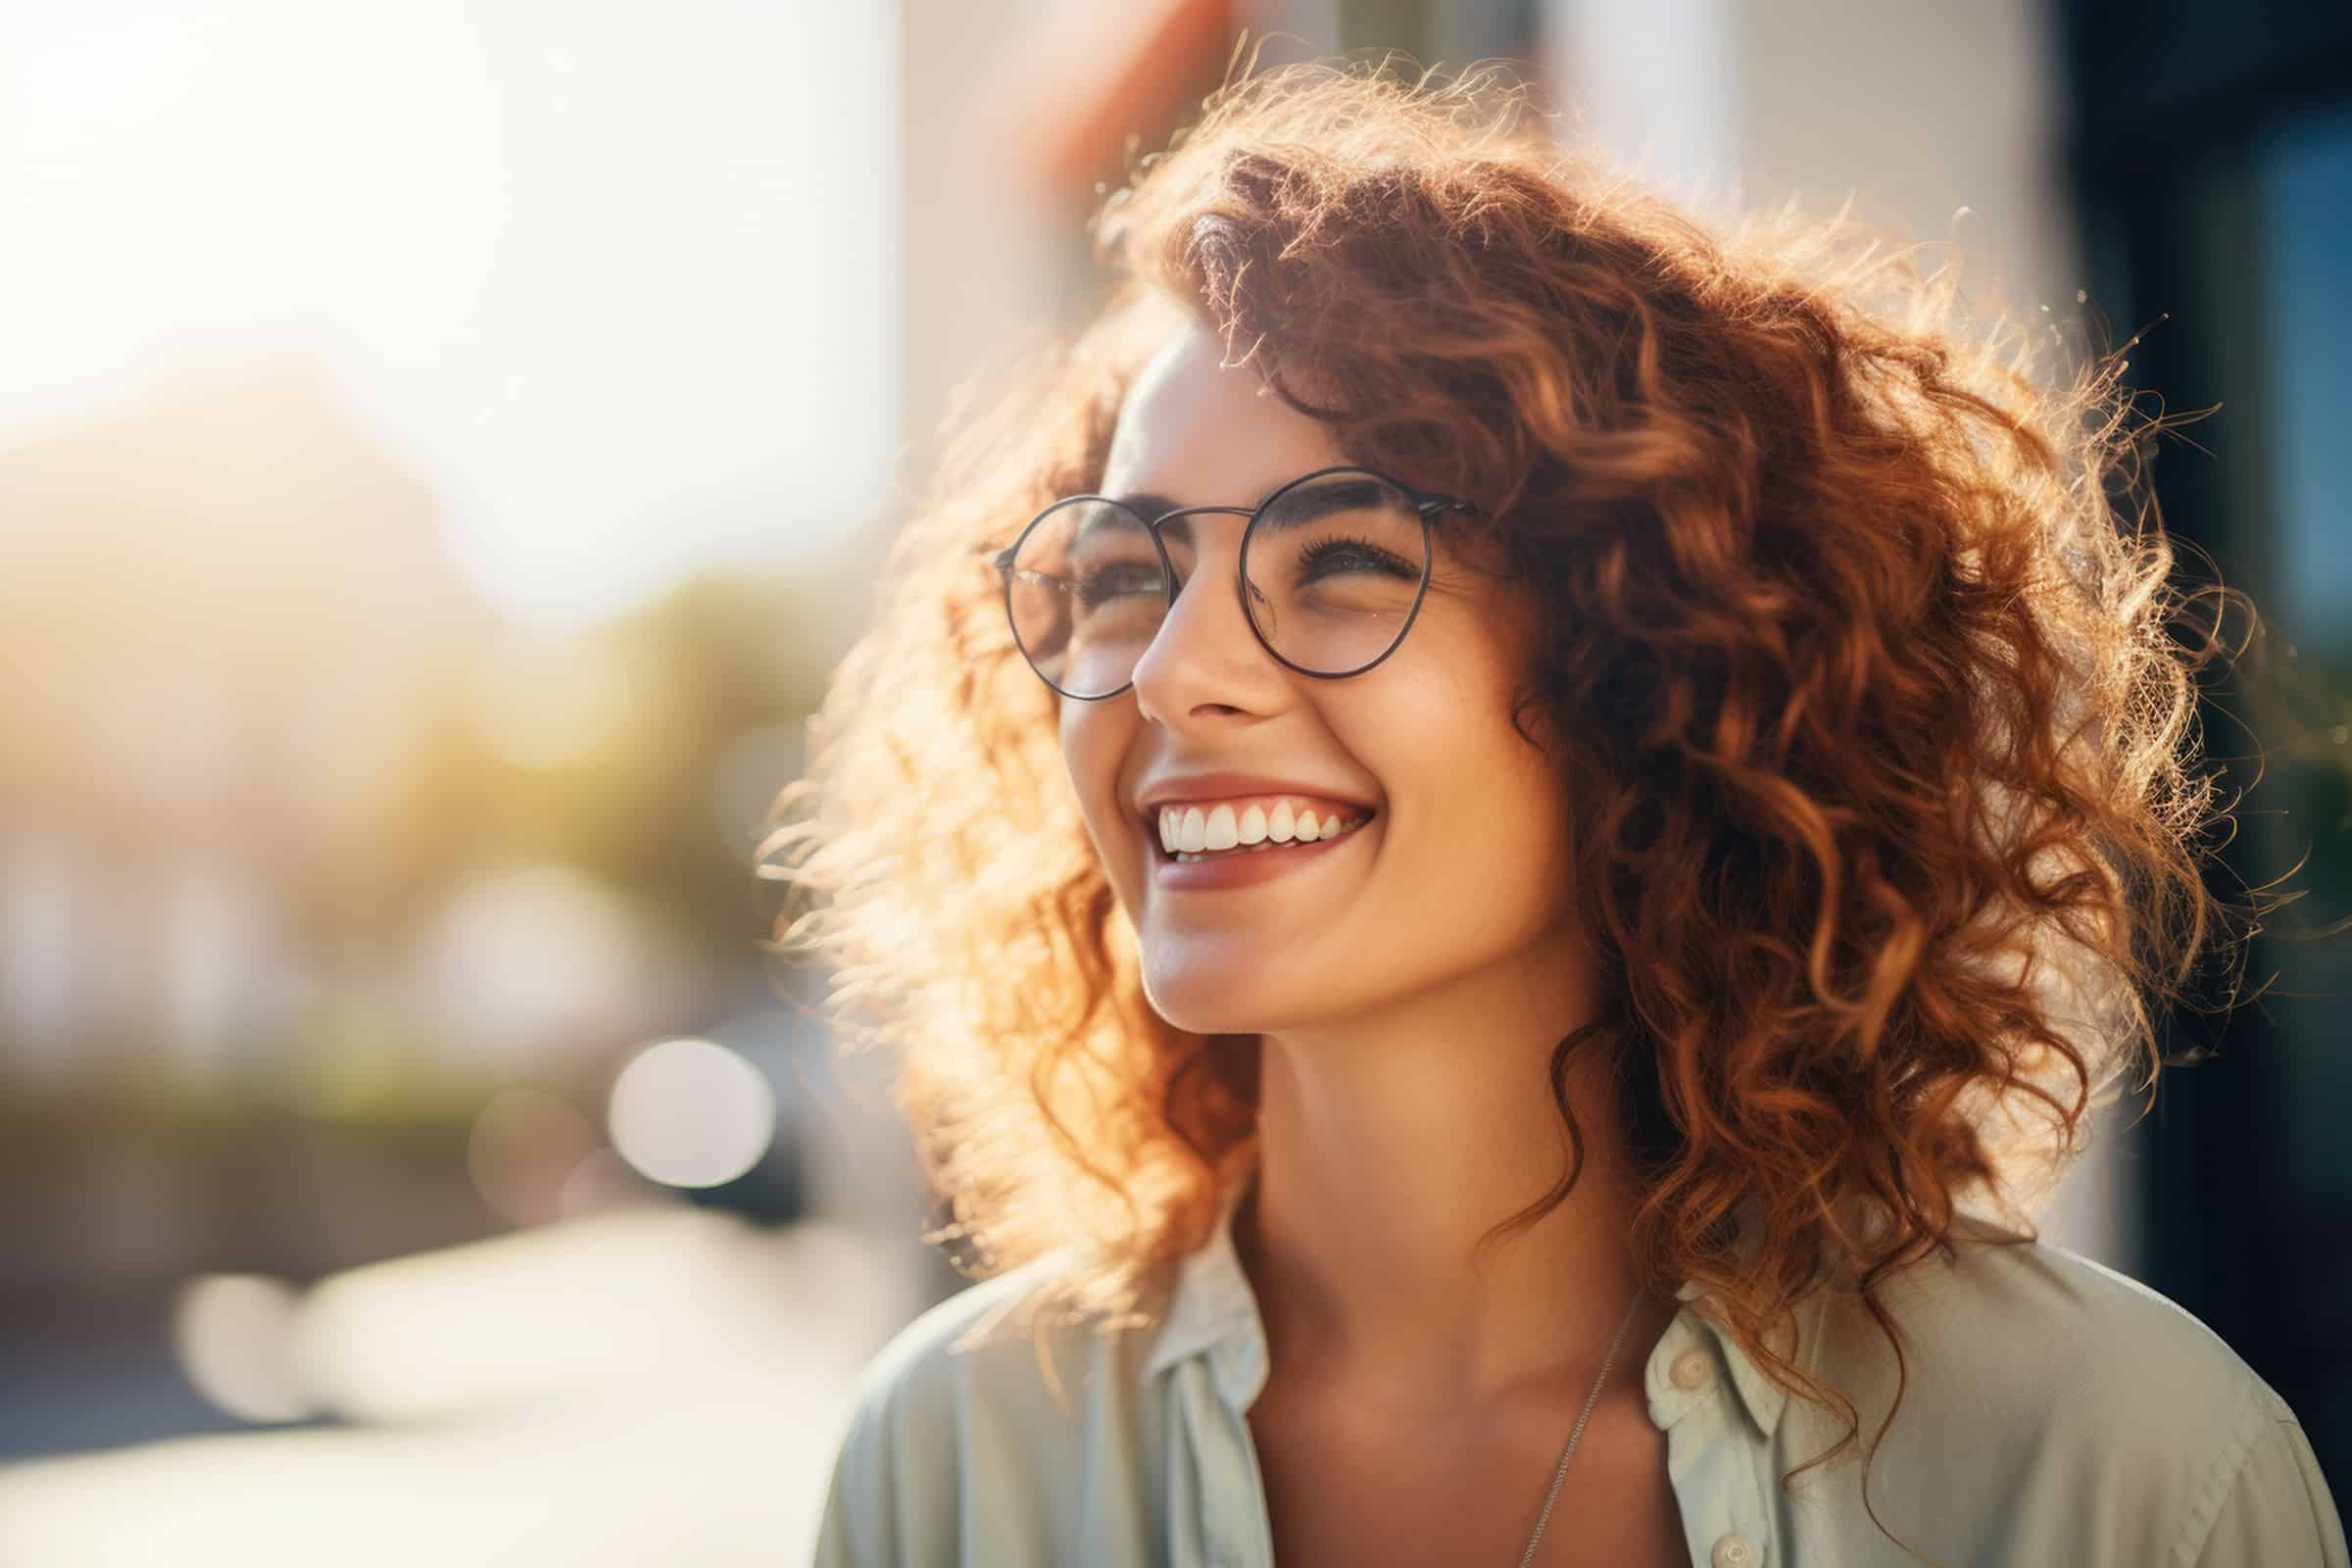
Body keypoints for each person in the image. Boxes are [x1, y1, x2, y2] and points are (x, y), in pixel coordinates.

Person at [773, 55, 2349, 1568]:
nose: (1175, 676)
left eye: (1344, 562)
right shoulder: (952, 1466)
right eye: (1128, 575)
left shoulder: (2122, 1471)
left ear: (1657, 664)